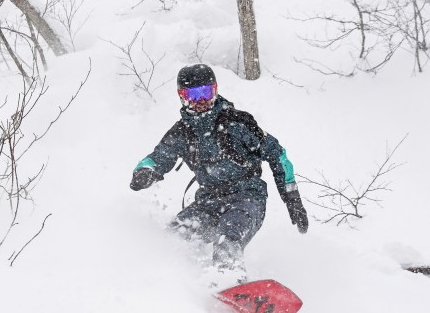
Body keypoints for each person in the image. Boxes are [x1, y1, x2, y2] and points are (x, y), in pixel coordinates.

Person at [130, 64, 308, 287]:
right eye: (192, 95)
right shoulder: (181, 132)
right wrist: (145, 171)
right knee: (175, 236)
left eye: (206, 92)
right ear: (181, 97)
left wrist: (292, 198)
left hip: (246, 198)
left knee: (228, 238)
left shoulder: (238, 123)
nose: (200, 100)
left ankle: (230, 282)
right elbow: (157, 157)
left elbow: (277, 154)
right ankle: (167, 285)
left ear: (215, 91)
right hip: (208, 203)